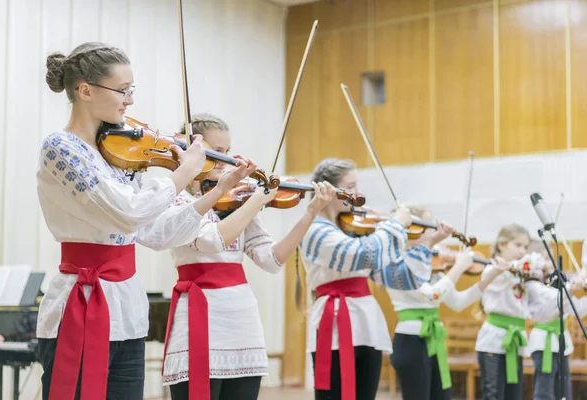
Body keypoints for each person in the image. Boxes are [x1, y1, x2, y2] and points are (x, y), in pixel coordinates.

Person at [37, 42, 248, 400]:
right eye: (123, 90)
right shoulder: (62, 147)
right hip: (80, 304)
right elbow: (128, 211)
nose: (129, 100)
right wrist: (183, 173)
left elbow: (156, 232)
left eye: (131, 90)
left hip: (127, 312)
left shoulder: (120, 157)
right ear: (85, 91)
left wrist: (215, 191)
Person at [138, 114, 336, 400]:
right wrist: (257, 200)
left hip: (240, 316)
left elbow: (271, 259)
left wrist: (310, 213)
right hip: (199, 313)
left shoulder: (238, 200)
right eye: (216, 151)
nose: (224, 160)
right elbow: (210, 240)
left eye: (227, 152)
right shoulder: (179, 198)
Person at [298, 158, 429, 400]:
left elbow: (399, 278)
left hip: (367, 323)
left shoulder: (357, 230)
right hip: (335, 321)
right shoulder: (314, 229)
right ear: (330, 189)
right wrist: (396, 225)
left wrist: (426, 243)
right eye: (351, 186)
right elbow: (359, 255)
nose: (358, 194)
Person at [387, 204, 510, 400]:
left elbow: (458, 302)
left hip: (433, 339)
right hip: (411, 342)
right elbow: (431, 295)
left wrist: (490, 277)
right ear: (413, 228)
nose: (434, 230)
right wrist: (459, 267)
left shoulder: (430, 264)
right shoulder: (397, 261)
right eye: (429, 225)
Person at [475, 224, 543, 399]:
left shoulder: (521, 272)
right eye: (518, 245)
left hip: (515, 339)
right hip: (494, 340)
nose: (523, 251)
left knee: (514, 394)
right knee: (493, 393)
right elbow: (507, 275)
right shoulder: (491, 270)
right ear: (501, 245)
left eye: (526, 247)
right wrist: (525, 263)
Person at [526, 239, 587, 400]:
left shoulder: (556, 282)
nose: (550, 264)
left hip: (561, 343)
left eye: (551, 259)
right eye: (545, 258)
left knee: (564, 392)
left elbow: (576, 309)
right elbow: (553, 302)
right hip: (543, 343)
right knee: (544, 392)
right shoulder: (534, 284)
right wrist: (573, 285)